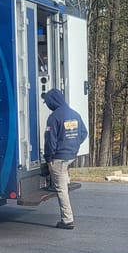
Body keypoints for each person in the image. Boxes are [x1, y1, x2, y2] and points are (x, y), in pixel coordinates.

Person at [42, 88, 88, 229]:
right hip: (70, 155)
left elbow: (50, 140)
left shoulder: (54, 117)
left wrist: (48, 157)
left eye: (47, 102)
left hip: (58, 158)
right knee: (63, 177)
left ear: (53, 101)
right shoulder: (74, 114)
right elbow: (83, 133)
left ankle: (67, 220)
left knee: (61, 190)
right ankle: (64, 180)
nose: (47, 104)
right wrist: (73, 145)